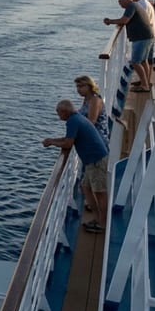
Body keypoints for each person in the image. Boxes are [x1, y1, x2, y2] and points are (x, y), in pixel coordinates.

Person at [43, 100, 110, 233]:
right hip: (93, 160)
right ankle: (98, 218)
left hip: (96, 161)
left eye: (58, 113)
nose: (58, 116)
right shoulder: (77, 118)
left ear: (64, 112)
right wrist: (52, 140)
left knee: (100, 193)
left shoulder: (72, 121)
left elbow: (68, 144)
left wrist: (52, 143)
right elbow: (68, 138)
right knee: (85, 187)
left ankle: (103, 225)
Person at [103, 0, 154, 92]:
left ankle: (145, 86)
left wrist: (110, 21)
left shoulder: (131, 6)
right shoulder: (135, 5)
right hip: (147, 36)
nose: (120, 4)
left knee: (135, 62)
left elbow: (124, 20)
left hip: (141, 37)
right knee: (143, 61)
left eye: (120, 1)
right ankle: (146, 82)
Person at [74, 75, 110, 141]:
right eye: (77, 86)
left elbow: (91, 122)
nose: (78, 89)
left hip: (97, 138)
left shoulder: (95, 100)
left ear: (89, 86)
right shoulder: (87, 99)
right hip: (89, 136)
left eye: (81, 86)